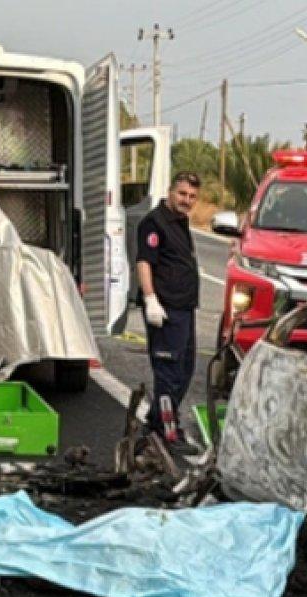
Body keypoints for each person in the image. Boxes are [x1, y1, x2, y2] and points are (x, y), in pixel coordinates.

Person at [136, 171, 202, 453]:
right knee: (169, 373)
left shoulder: (180, 221)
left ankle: (154, 424)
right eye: (182, 193)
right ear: (170, 191)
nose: (186, 200)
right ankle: (166, 434)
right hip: (166, 309)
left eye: (192, 196)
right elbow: (144, 262)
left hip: (184, 308)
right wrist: (151, 299)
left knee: (185, 370)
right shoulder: (155, 222)